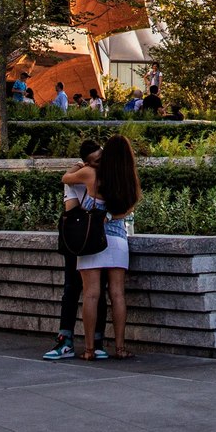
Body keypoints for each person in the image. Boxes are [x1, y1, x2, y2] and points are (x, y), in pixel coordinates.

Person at [76, 135, 140, 359]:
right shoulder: (127, 179)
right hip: (118, 239)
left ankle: (89, 349)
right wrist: (113, 216)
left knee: (92, 295)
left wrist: (80, 165)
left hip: (92, 239)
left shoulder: (94, 175)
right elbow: (130, 208)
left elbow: (66, 179)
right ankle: (121, 348)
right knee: (118, 295)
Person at [44, 139, 104, 360]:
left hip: (87, 237)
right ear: (87, 162)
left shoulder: (81, 176)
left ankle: (93, 340)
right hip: (81, 238)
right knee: (73, 287)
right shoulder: (80, 179)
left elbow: (70, 207)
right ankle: (72, 340)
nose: (101, 163)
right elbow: (70, 209)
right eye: (96, 160)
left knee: (93, 290)